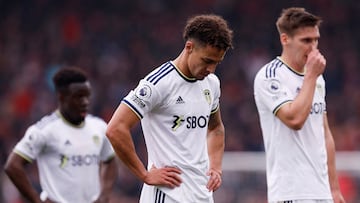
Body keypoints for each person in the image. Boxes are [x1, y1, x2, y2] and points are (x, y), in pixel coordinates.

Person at [106, 14, 233, 203]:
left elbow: (215, 128)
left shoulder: (212, 84)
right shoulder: (158, 83)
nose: (212, 69)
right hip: (167, 195)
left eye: (217, 62)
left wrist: (215, 167)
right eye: (207, 60)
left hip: (201, 195)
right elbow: (115, 129)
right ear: (189, 47)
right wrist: (144, 175)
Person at [254, 7, 345, 203]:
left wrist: (334, 189)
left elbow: (325, 133)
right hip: (291, 192)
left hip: (322, 192)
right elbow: (295, 119)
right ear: (285, 39)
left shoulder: (317, 79)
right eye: (306, 40)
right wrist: (311, 76)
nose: (313, 47)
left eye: (316, 40)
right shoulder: (270, 76)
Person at [4, 67, 117, 203]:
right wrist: (36, 200)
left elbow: (110, 160)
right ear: (62, 97)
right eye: (78, 97)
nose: (85, 102)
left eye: (87, 96)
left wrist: (104, 195)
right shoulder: (44, 130)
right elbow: (12, 166)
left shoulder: (98, 126)